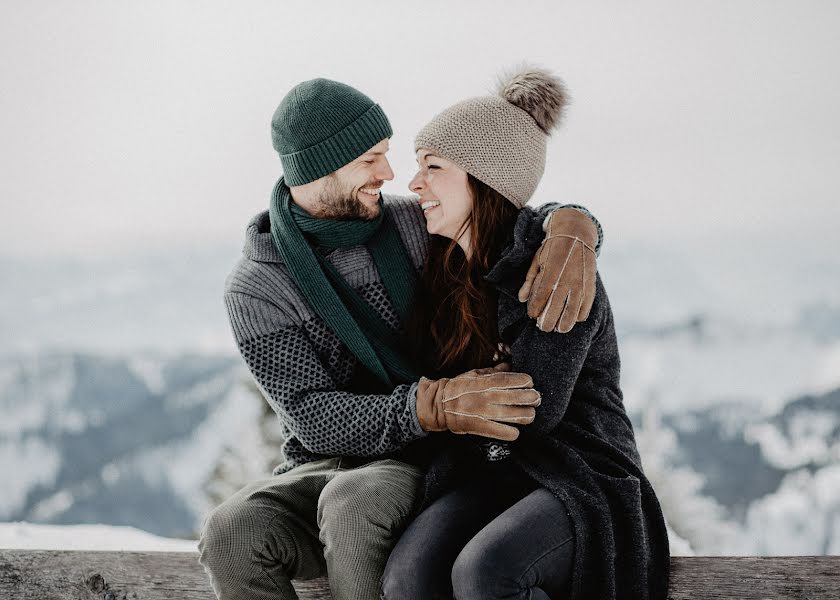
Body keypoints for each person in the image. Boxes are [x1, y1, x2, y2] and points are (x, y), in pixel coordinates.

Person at [197, 77, 606, 600]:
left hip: (426, 459)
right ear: (321, 166)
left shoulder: (413, 225)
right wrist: (427, 406)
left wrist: (573, 224)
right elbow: (315, 419)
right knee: (231, 533)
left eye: (388, 155)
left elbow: (500, 209)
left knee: (354, 501)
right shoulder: (258, 288)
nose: (389, 175)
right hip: (332, 457)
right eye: (370, 159)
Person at [380, 67, 670, 600]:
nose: (414, 183)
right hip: (492, 474)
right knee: (406, 576)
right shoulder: (443, 267)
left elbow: (532, 409)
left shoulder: (556, 268)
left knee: (485, 571)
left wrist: (457, 398)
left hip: (578, 474)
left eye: (433, 167)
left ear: (485, 179)